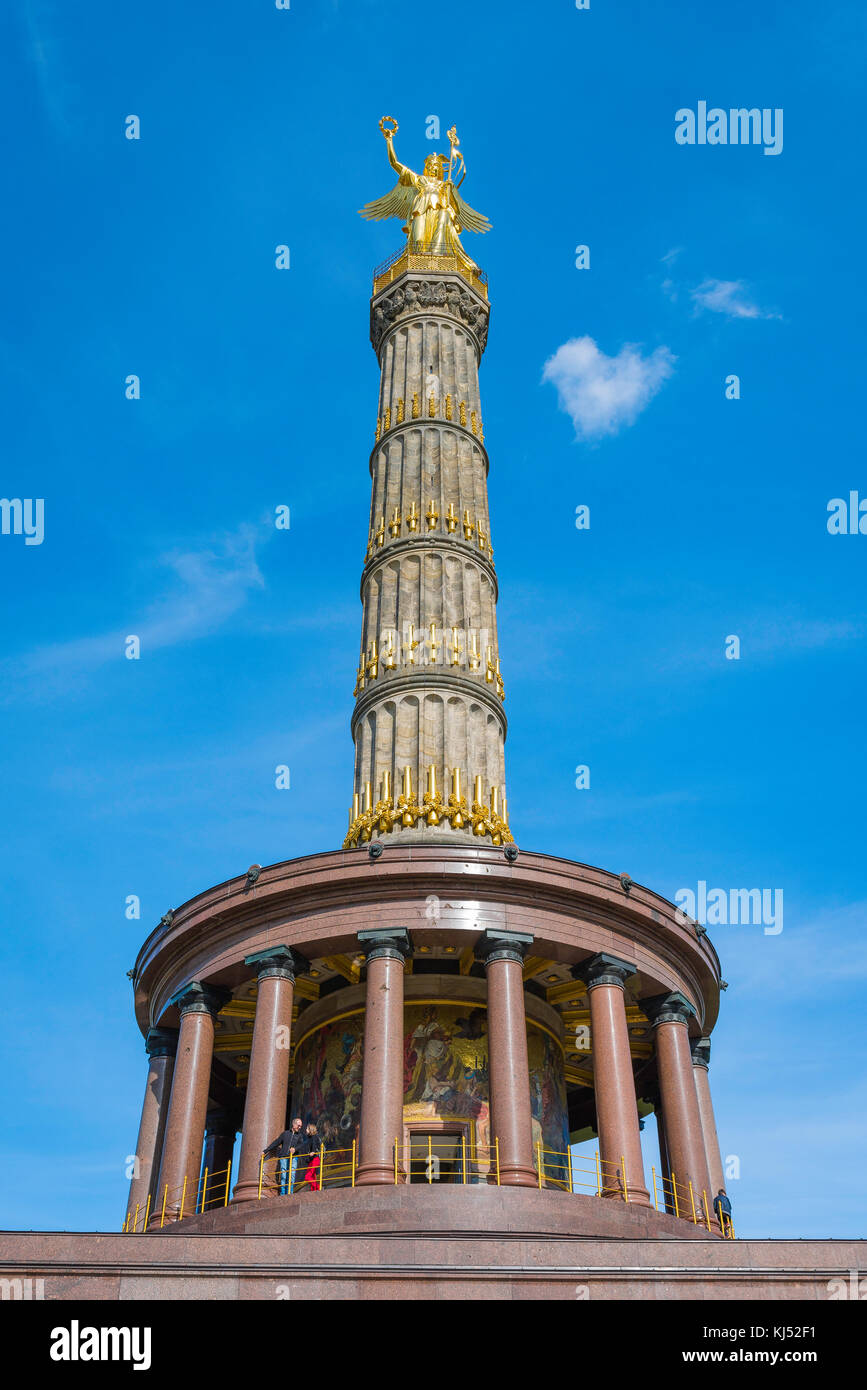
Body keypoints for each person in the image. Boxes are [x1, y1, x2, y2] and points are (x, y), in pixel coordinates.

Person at [262, 1117, 304, 1196]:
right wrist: (266, 1150)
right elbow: (276, 1142)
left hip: (294, 1158)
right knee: (284, 1176)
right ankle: (283, 1194)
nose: (300, 1127)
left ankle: (289, 1194)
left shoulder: (300, 1136)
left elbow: (301, 1145)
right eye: (298, 1125)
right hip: (284, 1157)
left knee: (291, 1176)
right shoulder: (285, 1134)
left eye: (300, 1126)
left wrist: (295, 1149)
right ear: (294, 1124)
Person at [298, 1122, 322, 1192]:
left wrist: (313, 1151)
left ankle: (318, 1188)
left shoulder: (314, 1137)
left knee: (308, 1176)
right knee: (312, 1176)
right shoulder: (310, 1138)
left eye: (307, 1129)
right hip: (312, 1159)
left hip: (315, 1159)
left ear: (310, 1129)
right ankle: (314, 1190)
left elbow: (314, 1145)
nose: (305, 1130)